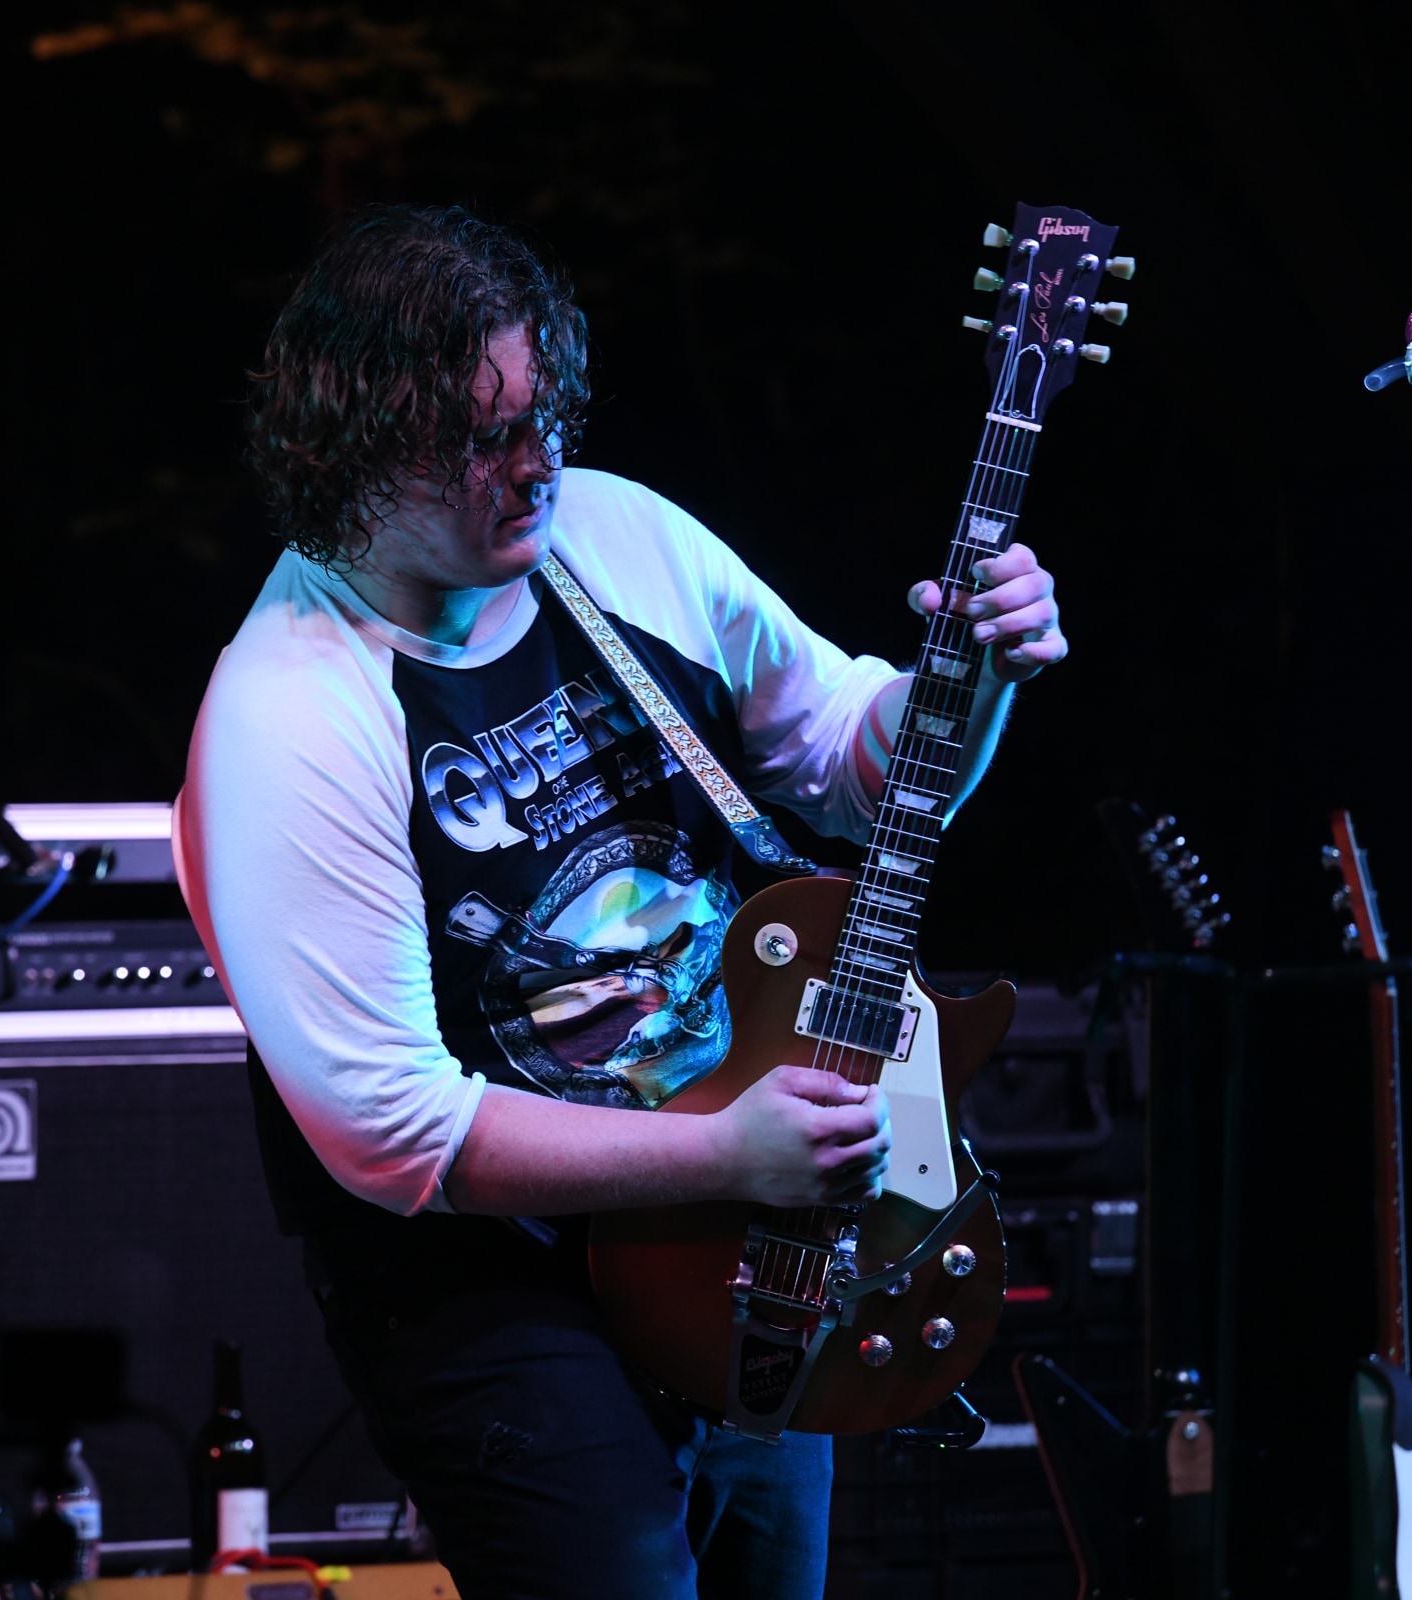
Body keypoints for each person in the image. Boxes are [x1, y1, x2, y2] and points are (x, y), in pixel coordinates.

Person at [173, 204, 1066, 1600]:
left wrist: (977, 677)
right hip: (506, 1294)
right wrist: (727, 1155)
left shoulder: (614, 538)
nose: (538, 465)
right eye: (485, 439)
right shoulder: (290, 713)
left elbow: (858, 764)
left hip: (749, 1229)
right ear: (357, 449)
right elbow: (397, 1133)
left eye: (546, 417)